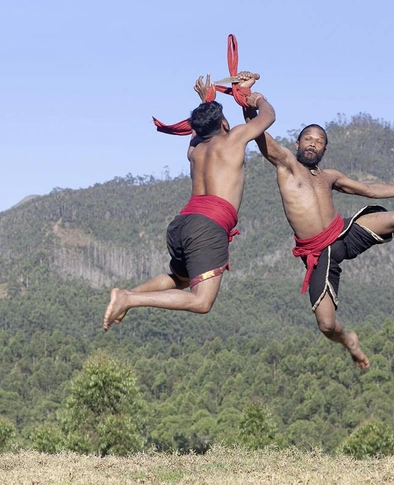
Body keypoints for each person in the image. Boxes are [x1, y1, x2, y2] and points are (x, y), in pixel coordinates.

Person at [245, 115, 394, 368]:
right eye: (307, 139)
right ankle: (349, 341)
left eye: (319, 142)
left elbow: (370, 189)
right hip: (319, 253)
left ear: (324, 150)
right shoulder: (286, 165)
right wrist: (248, 106)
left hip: (343, 233)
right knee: (327, 325)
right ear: (297, 144)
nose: (312, 144)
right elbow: (258, 135)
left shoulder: (329, 176)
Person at [103, 72, 274, 331]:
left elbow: (198, 128)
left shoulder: (194, 150)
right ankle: (129, 298)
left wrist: (207, 99)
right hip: (207, 226)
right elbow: (268, 116)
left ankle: (126, 295)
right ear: (225, 125)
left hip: (182, 225)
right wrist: (253, 96)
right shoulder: (233, 140)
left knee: (179, 279)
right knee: (202, 302)